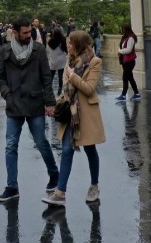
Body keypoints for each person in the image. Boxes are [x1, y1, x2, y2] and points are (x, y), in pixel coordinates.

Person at [0, 17, 59, 203]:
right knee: (10, 146)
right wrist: (6, 93)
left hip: (35, 102)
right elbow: (0, 77)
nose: (28, 35)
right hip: (13, 103)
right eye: (24, 32)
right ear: (14, 32)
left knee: (41, 141)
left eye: (30, 31)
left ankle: (54, 173)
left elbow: (46, 78)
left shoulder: (39, 50)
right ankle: (12, 186)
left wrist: (50, 102)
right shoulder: (5, 50)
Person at [42, 30, 105, 207]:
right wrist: (53, 104)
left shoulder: (94, 61)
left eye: (71, 43)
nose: (68, 45)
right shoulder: (68, 62)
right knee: (67, 150)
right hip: (71, 113)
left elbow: (89, 88)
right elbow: (65, 91)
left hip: (87, 113)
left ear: (79, 44)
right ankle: (60, 193)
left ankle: (94, 185)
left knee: (90, 149)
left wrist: (72, 75)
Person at [116, 23, 141, 101]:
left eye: (122, 29)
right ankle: (137, 93)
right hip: (125, 61)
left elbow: (129, 50)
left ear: (126, 29)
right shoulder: (126, 37)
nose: (122, 30)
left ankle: (123, 95)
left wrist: (120, 51)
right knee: (130, 78)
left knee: (125, 77)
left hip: (129, 61)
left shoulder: (131, 38)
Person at [47, 27, 68, 95]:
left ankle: (49, 88)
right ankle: (59, 89)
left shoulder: (50, 41)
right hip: (61, 60)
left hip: (53, 60)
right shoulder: (63, 40)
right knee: (61, 76)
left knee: (51, 76)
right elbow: (65, 50)